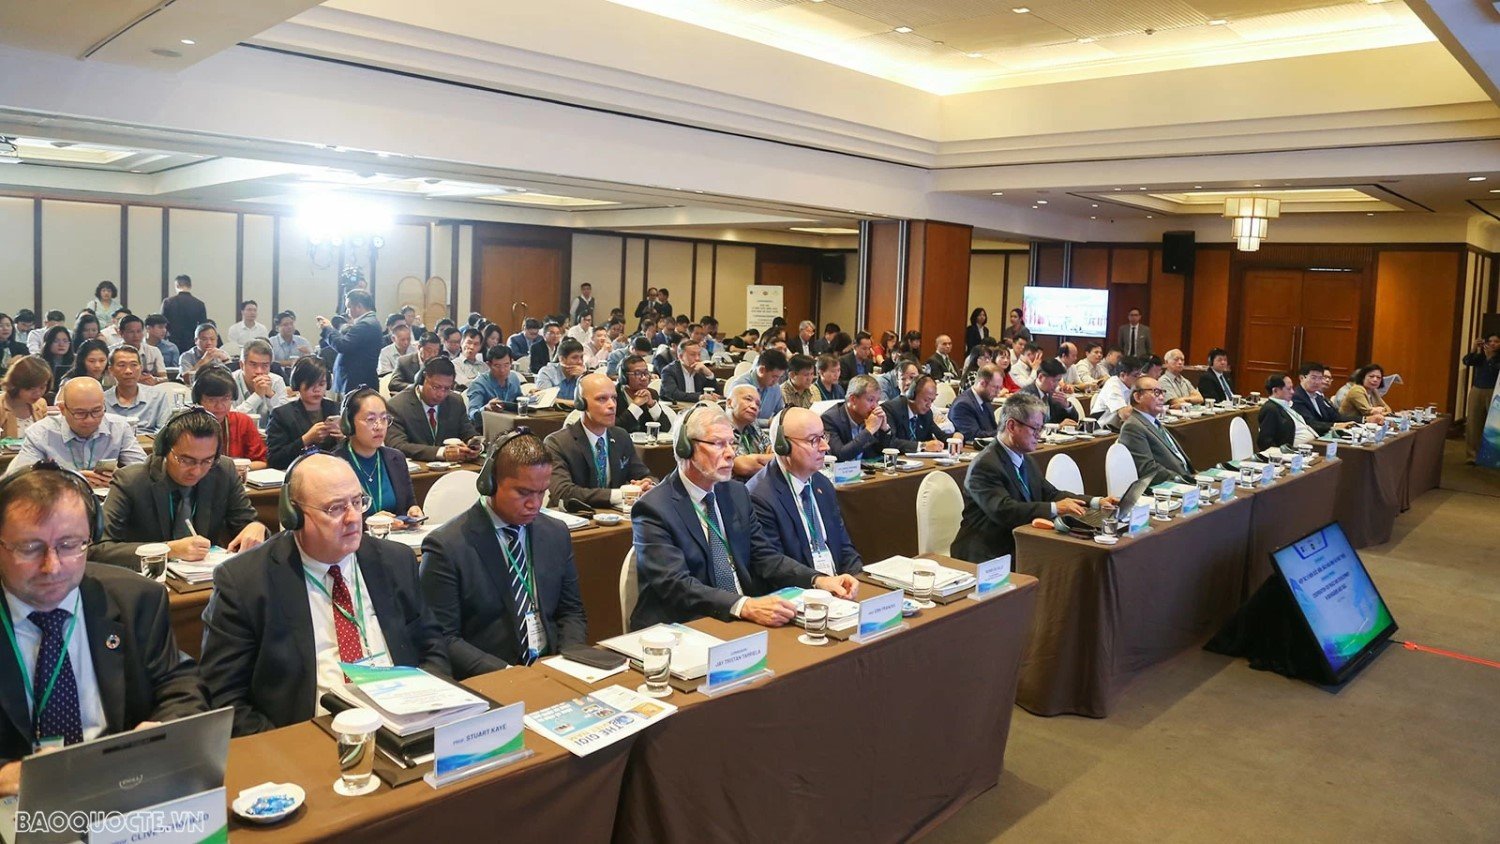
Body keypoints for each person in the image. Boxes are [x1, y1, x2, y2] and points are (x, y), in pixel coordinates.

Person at [198, 454, 449, 736]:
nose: (354, 518)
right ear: (293, 515)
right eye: (335, 508)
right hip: (309, 735)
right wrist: (292, 747)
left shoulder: (395, 561)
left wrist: (428, 708)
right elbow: (224, 698)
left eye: (357, 502)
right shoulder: (245, 582)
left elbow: (432, 647)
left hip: (403, 723)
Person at [0, 465, 205, 772]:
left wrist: (162, 729)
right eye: (30, 548)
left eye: (70, 545)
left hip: (121, 779)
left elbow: (179, 683)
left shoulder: (136, 599)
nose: (52, 566)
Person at [628, 403, 856, 630]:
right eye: (718, 444)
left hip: (740, 617)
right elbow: (676, 585)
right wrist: (743, 605)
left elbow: (764, 556)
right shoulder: (653, 508)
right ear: (685, 448)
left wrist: (818, 580)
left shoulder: (735, 493)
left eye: (731, 443)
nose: (731, 453)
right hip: (683, 624)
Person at [420, 432, 586, 677]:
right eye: (524, 493)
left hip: (551, 670)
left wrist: (567, 663)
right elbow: (443, 638)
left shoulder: (555, 533)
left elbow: (571, 612)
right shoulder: (446, 546)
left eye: (542, 492)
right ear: (490, 483)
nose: (535, 504)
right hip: (490, 678)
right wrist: (511, 675)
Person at [94, 407, 267, 567]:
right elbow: (99, 549)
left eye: (207, 460)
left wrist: (256, 527)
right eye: (186, 460)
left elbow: (248, 525)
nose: (197, 471)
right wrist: (169, 549)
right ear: (164, 449)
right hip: (148, 582)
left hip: (205, 580)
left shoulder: (223, 470)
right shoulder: (131, 481)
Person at [951, 394, 1110, 562]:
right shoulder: (984, 465)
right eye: (1035, 429)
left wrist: (1096, 502)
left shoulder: (1025, 458)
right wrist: (1055, 508)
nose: (1039, 436)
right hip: (987, 552)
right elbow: (1004, 510)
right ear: (1011, 426)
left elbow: (1050, 494)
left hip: (1020, 542)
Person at [746, 407, 862, 576]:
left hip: (837, 590)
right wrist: (821, 582)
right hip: (801, 592)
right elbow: (773, 566)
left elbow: (844, 546)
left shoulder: (822, 484)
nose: (825, 446)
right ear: (783, 446)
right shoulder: (759, 496)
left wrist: (856, 577)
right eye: (813, 440)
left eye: (823, 436)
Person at [543, 373, 655, 508]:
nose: (612, 405)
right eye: (602, 399)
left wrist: (648, 485)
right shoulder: (557, 443)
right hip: (573, 519)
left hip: (615, 518)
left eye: (614, 398)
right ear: (581, 403)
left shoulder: (621, 436)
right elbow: (563, 492)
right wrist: (621, 494)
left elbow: (644, 475)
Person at [7, 378, 146, 484]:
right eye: (80, 413)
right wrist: (71, 480)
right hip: (57, 504)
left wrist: (121, 477)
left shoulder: (119, 427)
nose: (90, 420)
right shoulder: (40, 433)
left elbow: (145, 472)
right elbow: (20, 480)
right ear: (62, 410)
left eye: (97, 411)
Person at [337, 389, 424, 524]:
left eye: (384, 418)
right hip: (355, 541)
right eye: (371, 419)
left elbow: (409, 503)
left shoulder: (396, 458)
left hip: (396, 540)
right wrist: (371, 523)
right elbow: (335, 520)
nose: (379, 426)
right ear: (349, 423)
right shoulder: (335, 465)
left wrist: (413, 511)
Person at [386, 357, 479, 463]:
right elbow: (397, 445)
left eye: (447, 388)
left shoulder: (455, 402)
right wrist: (441, 452)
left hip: (455, 469)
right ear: (424, 379)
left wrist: (474, 445)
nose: (441, 394)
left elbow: (468, 433)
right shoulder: (396, 406)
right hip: (417, 472)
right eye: (436, 387)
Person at [265, 356, 343, 470]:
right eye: (310, 384)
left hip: (334, 471)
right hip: (298, 473)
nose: (317, 390)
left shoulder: (337, 409)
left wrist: (344, 440)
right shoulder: (282, 415)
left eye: (321, 384)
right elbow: (274, 460)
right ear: (298, 384)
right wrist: (306, 439)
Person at [1118, 376, 1195, 484]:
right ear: (1137, 397)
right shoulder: (1132, 427)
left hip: (1185, 479)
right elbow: (1148, 469)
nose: (1162, 397)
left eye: (1163, 392)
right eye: (1156, 392)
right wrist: (1185, 480)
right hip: (1170, 487)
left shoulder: (1153, 422)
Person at [194, 367, 267, 468]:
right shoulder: (189, 424)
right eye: (211, 400)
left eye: (226, 398)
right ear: (198, 401)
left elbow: (262, 461)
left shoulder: (242, 421)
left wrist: (236, 470)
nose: (219, 406)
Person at [316, 290, 383, 393]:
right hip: (355, 381)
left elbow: (342, 346)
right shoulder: (369, 322)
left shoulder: (365, 324)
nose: (347, 311)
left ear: (359, 306)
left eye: (348, 307)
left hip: (357, 382)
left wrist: (328, 328)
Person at [822, 375, 901, 461]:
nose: (875, 406)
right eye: (871, 400)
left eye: (877, 401)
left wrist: (885, 429)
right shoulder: (830, 419)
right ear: (853, 400)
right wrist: (869, 430)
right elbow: (839, 456)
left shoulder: (871, 417)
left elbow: (882, 451)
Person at [102, 345, 171, 433]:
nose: (128, 371)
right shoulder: (102, 400)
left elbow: (165, 432)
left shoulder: (158, 397)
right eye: (122, 365)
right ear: (111, 370)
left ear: (141, 368)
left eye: (134, 365)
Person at [880, 374, 948, 453]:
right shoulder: (891, 409)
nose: (929, 405)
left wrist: (956, 437)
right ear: (912, 395)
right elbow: (890, 442)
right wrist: (923, 446)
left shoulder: (927, 414)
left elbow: (941, 436)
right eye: (926, 400)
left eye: (932, 401)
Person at [1290, 361, 1357, 436]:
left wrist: (1362, 421)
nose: (1317, 382)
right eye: (1313, 378)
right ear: (1302, 378)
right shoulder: (1296, 397)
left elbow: (1335, 417)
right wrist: (1335, 426)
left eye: (1320, 378)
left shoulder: (1318, 397)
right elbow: (1309, 423)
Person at [615, 354, 676, 436]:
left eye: (646, 373)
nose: (644, 378)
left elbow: (665, 428)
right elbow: (616, 429)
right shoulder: (614, 395)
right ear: (624, 377)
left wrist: (652, 405)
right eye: (637, 373)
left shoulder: (651, 394)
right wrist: (635, 406)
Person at [724, 384, 776, 480]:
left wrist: (756, 459)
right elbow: (743, 467)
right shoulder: (721, 428)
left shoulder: (752, 426)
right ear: (729, 403)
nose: (754, 407)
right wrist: (771, 463)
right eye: (748, 399)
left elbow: (774, 451)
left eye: (758, 404)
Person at [1462, 333, 1500, 459]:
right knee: (1473, 422)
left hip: (1494, 391)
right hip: (1477, 389)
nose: (1493, 344)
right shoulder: (1481, 357)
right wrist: (1474, 348)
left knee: (1493, 425)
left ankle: (1492, 456)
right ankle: (1472, 455)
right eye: (1490, 341)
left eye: (1496, 341)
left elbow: (1495, 370)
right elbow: (1466, 361)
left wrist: (1490, 358)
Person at [466, 345, 525, 424]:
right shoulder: (478, 384)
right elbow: (471, 415)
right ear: (489, 365)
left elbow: (518, 401)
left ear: (511, 362)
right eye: (497, 366)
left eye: (506, 365)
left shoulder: (513, 378)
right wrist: (486, 409)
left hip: (510, 424)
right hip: (487, 426)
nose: (502, 370)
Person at [1257, 373, 1317, 451]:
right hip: (1292, 452)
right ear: (1276, 390)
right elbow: (1264, 441)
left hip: (1309, 447)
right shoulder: (1271, 409)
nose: (1293, 392)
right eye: (1289, 389)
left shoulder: (1288, 405)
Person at [725, 348, 787, 422]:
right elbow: (736, 418)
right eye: (774, 376)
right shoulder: (740, 385)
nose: (776, 381)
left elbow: (781, 413)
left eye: (779, 377)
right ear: (762, 370)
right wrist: (767, 422)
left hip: (765, 431)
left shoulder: (775, 387)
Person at [232, 339, 289, 418]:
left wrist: (271, 395)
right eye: (253, 365)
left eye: (265, 365)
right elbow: (229, 418)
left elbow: (286, 418)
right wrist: (257, 396)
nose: (259, 371)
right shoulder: (230, 382)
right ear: (242, 365)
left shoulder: (276, 381)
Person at [950, 363, 1003, 440]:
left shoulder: (986, 400)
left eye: (1000, 388)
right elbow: (973, 436)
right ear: (982, 383)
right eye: (995, 387)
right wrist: (1004, 433)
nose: (998, 392)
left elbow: (992, 429)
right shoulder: (962, 405)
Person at [0, 357, 49, 439]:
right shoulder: (1, 406)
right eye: (31, 388)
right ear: (15, 385)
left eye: (42, 387)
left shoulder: (41, 403)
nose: (38, 393)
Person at [1022, 358, 1080, 426]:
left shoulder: (1053, 395)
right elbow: (1030, 426)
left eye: (1058, 380)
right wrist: (1057, 426)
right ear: (1041, 377)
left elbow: (1073, 421)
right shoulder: (1025, 396)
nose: (1056, 384)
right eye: (1054, 381)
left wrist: (1066, 405)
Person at [660, 338, 720, 403]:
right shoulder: (669, 371)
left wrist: (709, 374)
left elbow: (716, 393)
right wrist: (700, 397)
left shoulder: (700, 370)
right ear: (680, 357)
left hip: (699, 408)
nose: (697, 358)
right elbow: (674, 394)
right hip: (676, 408)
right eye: (693, 355)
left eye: (699, 354)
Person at [160, 274, 207, 353]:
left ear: (177, 285)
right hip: (192, 343)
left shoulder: (168, 302)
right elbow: (203, 327)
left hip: (171, 342)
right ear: (190, 286)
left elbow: (161, 323)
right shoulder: (199, 304)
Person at [534, 338, 587, 405]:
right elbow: (544, 399)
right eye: (574, 357)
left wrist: (584, 377)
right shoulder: (547, 372)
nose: (580, 362)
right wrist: (577, 404)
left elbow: (591, 400)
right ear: (562, 359)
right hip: (553, 414)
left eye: (581, 357)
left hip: (576, 414)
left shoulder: (583, 374)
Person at [1093, 355, 1142, 426]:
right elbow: (1125, 414)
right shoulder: (1113, 385)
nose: (1139, 379)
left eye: (1140, 375)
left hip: (1120, 426)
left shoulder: (1132, 385)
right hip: (1103, 429)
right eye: (1135, 375)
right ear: (1122, 375)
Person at [114, 314, 163, 384]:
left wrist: (154, 379)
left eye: (139, 331)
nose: (136, 335)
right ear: (121, 333)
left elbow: (164, 377)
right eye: (131, 332)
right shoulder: (111, 352)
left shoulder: (154, 351)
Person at [39, 326, 74, 391]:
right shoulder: (39, 363)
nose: (61, 344)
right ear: (48, 343)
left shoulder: (75, 361)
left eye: (65, 341)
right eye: (56, 341)